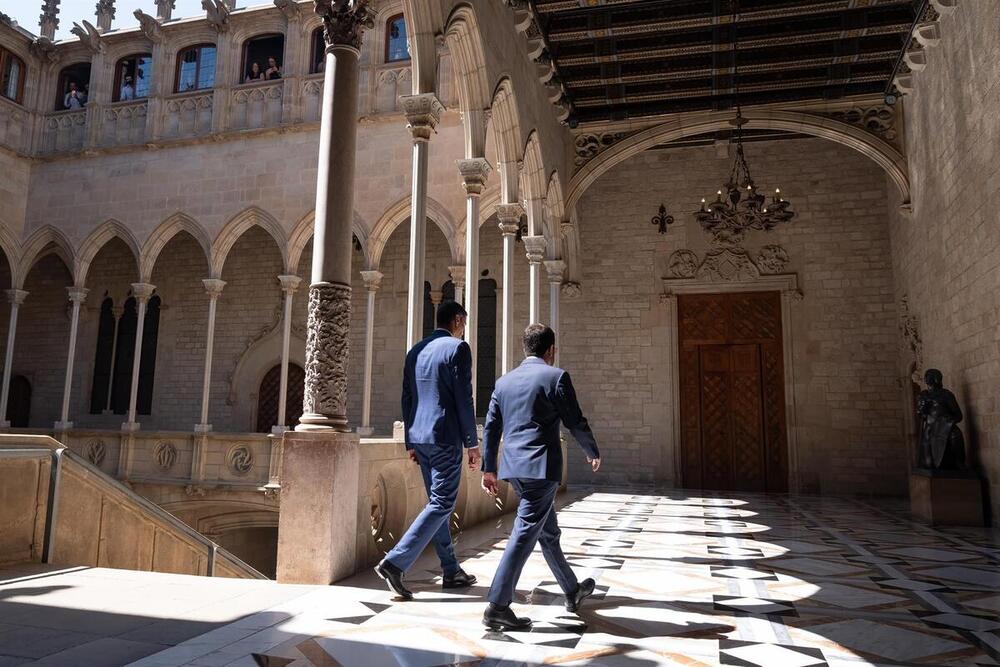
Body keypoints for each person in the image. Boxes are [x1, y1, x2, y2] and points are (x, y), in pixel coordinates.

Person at [480, 324, 601, 631]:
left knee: (547, 532)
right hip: (541, 467)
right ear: (551, 350)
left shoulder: (503, 382)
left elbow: (492, 426)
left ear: (525, 348)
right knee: (523, 533)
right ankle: (497, 605)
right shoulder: (555, 377)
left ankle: (572, 590)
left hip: (514, 468)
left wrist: (488, 467)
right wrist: (591, 449)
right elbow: (574, 418)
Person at [374, 301, 480, 598]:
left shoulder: (415, 351)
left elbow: (407, 398)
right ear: (458, 320)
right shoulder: (458, 348)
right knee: (442, 503)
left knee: (438, 503)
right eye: (465, 322)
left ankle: (450, 569)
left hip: (420, 437)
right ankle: (395, 562)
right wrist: (472, 442)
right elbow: (463, 398)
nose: (464, 328)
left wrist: (410, 441)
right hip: (445, 436)